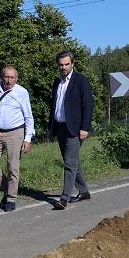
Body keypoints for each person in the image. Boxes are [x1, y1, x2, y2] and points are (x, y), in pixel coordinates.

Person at [0, 65, 35, 212]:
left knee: (13, 167)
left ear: (16, 79)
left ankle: (11, 198)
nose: (9, 80)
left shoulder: (22, 92)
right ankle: (9, 189)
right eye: (6, 77)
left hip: (15, 132)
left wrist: (28, 139)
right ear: (1, 77)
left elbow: (28, 117)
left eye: (12, 77)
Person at [49, 50, 93, 210]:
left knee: (69, 163)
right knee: (73, 161)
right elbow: (53, 107)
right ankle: (84, 191)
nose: (64, 67)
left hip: (75, 129)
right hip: (60, 127)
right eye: (61, 65)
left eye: (67, 64)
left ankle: (64, 198)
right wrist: (51, 129)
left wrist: (85, 127)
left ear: (72, 64)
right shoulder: (57, 83)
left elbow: (87, 105)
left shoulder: (81, 81)